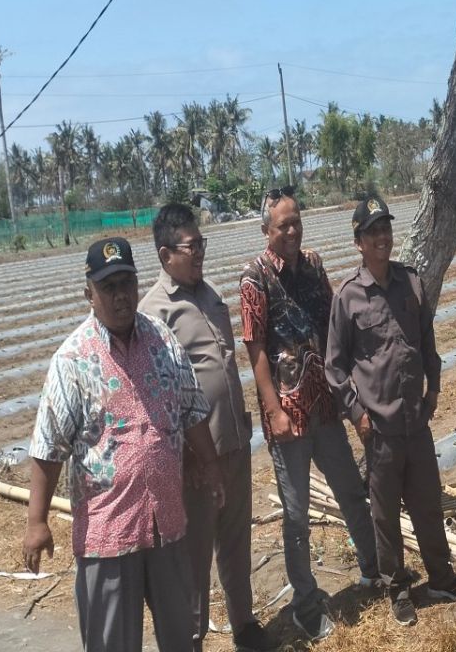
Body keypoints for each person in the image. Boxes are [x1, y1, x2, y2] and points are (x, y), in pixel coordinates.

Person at [22, 237, 225, 652]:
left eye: (126, 284)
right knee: (111, 642)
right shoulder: (73, 359)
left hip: (167, 522)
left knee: (182, 638)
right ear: (89, 295)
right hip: (108, 532)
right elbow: (48, 445)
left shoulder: (162, 340)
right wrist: (36, 522)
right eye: (109, 287)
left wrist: (211, 464)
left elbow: (191, 408)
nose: (120, 296)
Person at [239, 186, 380, 642]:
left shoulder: (315, 265)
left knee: (351, 494)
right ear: (267, 231)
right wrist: (273, 409)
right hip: (289, 418)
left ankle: (373, 572)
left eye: (297, 221)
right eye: (283, 225)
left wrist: (347, 386)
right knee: (297, 516)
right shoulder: (254, 277)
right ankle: (304, 603)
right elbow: (255, 348)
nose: (293, 230)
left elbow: (331, 322)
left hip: (324, 406)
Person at [139, 204, 275, 652]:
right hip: (197, 458)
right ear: (165, 255)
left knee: (236, 539)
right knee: (194, 555)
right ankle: (191, 638)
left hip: (233, 441)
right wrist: (189, 457)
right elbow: (157, 398)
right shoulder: (154, 312)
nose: (199, 252)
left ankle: (245, 625)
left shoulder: (210, 294)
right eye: (190, 246)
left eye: (201, 244)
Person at [325, 196, 456, 627]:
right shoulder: (348, 297)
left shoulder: (410, 282)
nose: (382, 237)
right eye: (373, 232)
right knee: (385, 517)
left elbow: (427, 342)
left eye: (385, 228)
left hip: (415, 421)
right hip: (379, 427)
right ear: (359, 242)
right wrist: (358, 416)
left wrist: (435, 388)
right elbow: (334, 365)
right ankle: (398, 589)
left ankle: (441, 578)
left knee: (426, 505)